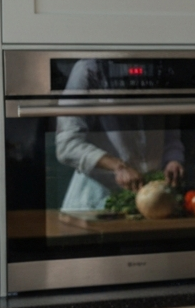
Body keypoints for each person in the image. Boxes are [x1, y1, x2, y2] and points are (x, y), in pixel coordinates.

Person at [55, 59, 185, 212]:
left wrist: (173, 159)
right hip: (97, 199)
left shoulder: (161, 66)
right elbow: (67, 145)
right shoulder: (89, 69)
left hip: (151, 198)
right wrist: (118, 166)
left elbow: (170, 132)